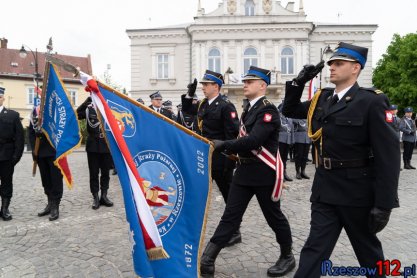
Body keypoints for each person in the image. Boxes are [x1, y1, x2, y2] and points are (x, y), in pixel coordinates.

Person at [282, 42, 400, 277]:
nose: (332, 67)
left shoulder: (371, 101)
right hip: (325, 190)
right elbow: (289, 110)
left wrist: (384, 204)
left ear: (355, 68)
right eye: (331, 63)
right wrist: (298, 82)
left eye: (339, 63)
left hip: (357, 192)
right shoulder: (322, 99)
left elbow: (389, 156)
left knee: (368, 254)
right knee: (314, 251)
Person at [200, 66, 295, 277]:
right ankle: (208, 259)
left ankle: (287, 255)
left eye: (250, 81)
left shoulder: (268, 110)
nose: (245, 84)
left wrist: (222, 144)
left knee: (274, 217)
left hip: (263, 173)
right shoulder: (249, 108)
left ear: (262, 85)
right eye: (244, 81)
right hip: (244, 172)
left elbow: (253, 140)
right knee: (230, 216)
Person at [181, 71, 241, 246]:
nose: (203, 88)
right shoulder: (203, 105)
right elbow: (186, 109)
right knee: (198, 193)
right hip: (204, 160)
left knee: (229, 197)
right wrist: (190, 94)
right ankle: (192, 228)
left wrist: (228, 160)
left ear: (216, 86)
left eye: (206, 85)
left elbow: (232, 135)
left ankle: (235, 231)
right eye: (202, 85)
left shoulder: (226, 106)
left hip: (221, 161)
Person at [77, 97, 114, 209]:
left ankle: (104, 195)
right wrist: (87, 101)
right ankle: (95, 197)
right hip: (93, 145)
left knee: (105, 173)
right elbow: (77, 114)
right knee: (93, 173)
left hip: (106, 144)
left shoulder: (107, 107)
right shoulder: (89, 108)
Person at [29, 113, 64, 221]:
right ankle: (49, 204)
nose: (40, 94)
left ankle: (55, 206)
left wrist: (44, 134)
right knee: (46, 180)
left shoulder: (55, 109)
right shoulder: (35, 111)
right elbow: (30, 132)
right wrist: (34, 150)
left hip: (54, 152)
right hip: (40, 152)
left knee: (56, 179)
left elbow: (62, 129)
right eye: (39, 94)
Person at [0, 87, 25, 221]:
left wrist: (15, 157)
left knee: (6, 183)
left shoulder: (12, 115)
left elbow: (19, 138)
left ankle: (4, 209)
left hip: (6, 156)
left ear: (3, 98)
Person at [277, 104, 294, 181]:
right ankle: (279, 174)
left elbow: (292, 130)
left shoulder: (289, 118)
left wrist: (292, 140)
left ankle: (284, 172)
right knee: (279, 158)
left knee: (284, 158)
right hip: (280, 140)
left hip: (287, 140)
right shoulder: (278, 118)